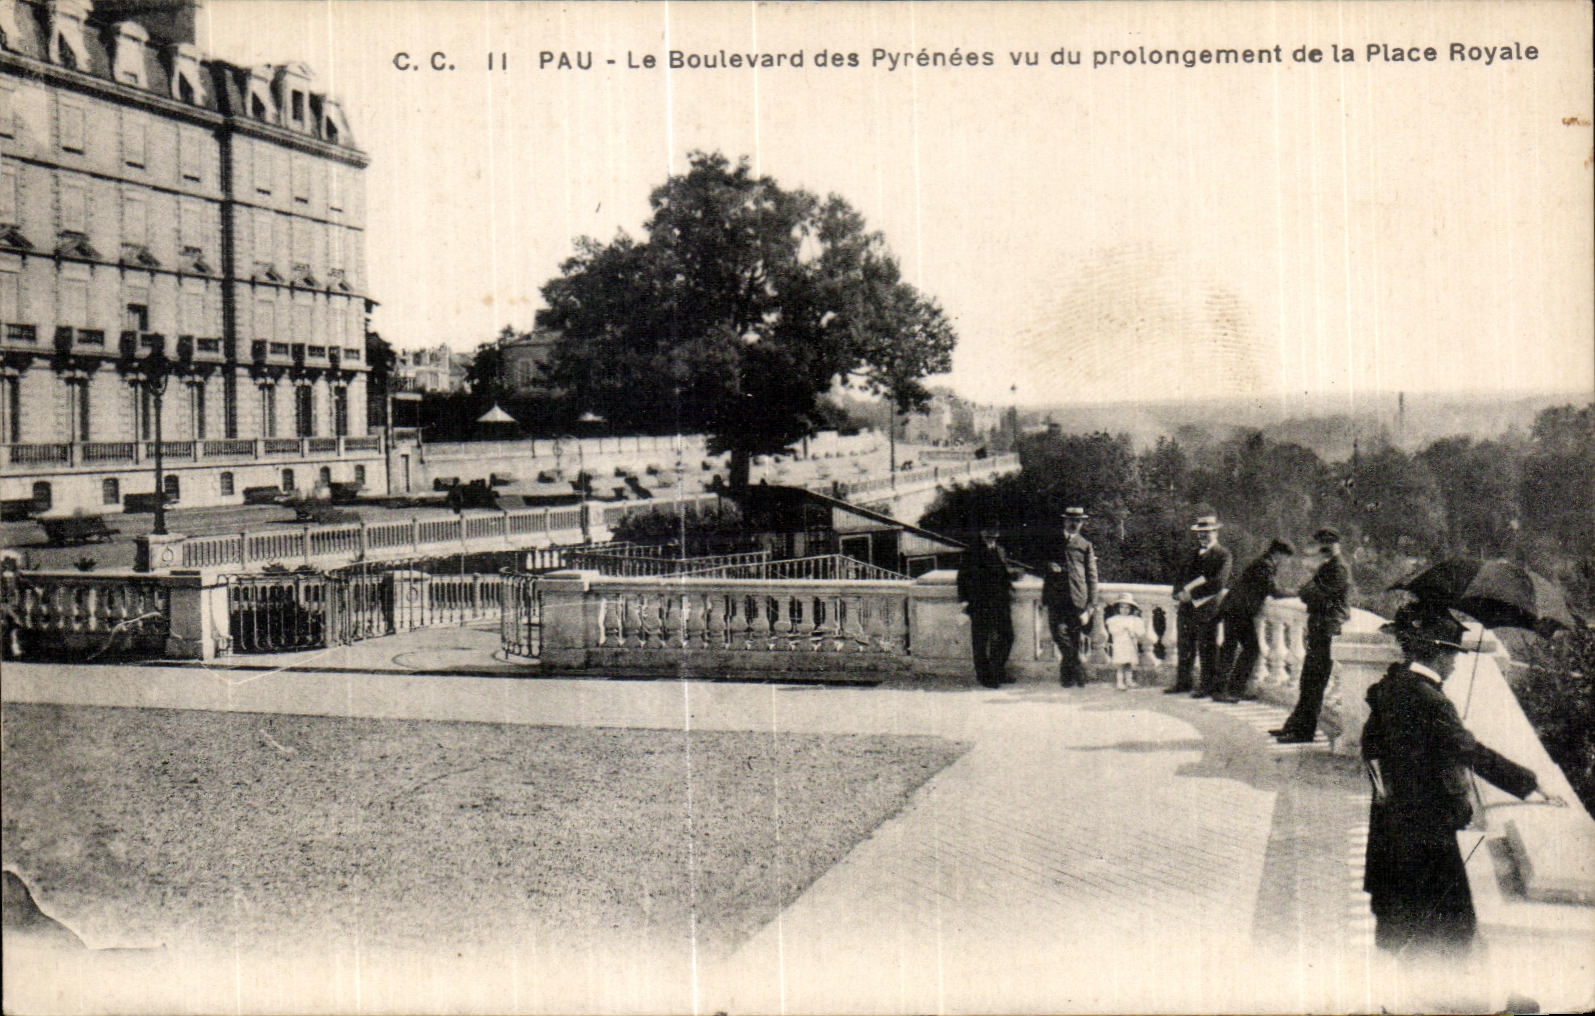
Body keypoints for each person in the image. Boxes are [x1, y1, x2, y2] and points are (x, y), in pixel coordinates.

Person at [1361, 601, 1555, 960]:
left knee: (1404, 917)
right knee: (1449, 921)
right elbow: (1472, 752)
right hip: (1430, 824)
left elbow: (1369, 744)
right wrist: (1529, 785)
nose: (1454, 663)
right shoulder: (1432, 701)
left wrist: (1382, 787)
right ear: (1436, 656)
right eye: (1452, 656)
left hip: (1395, 820)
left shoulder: (1392, 685)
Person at [1273, 528, 1351, 742]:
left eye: (1321, 545)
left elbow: (1312, 594)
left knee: (1314, 683)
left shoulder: (1338, 569)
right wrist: (1309, 590)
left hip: (1327, 629)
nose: (1318, 550)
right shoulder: (1328, 567)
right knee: (1308, 681)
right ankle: (1294, 726)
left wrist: (1309, 590)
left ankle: (1303, 731)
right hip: (1320, 628)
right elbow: (1307, 592)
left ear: (1329, 546)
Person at [1213, 538, 1295, 703]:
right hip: (1238, 610)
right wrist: (1298, 592)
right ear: (1279, 554)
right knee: (1243, 648)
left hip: (1236, 609)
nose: (1286, 562)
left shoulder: (1264, 563)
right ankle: (1225, 690)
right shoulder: (1265, 565)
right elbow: (1275, 591)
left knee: (1237, 648)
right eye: (1286, 557)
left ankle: (1230, 689)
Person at [1167, 513, 1232, 696]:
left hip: (1208, 608)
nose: (1203, 536)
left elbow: (1219, 583)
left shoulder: (1223, 555)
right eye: (1200, 533)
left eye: (1207, 532)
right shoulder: (1192, 553)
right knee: (1184, 646)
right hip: (1186, 607)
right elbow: (1180, 576)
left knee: (1207, 647)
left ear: (1216, 533)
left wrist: (1192, 595)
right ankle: (1183, 682)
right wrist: (1178, 593)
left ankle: (1206, 686)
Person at [1041, 507, 1097, 687]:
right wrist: (1048, 565)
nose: (1074, 524)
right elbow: (1037, 565)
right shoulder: (1052, 541)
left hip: (1077, 598)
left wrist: (1091, 605)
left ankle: (1067, 678)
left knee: (1074, 638)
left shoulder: (1085, 544)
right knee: (1058, 635)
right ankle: (1079, 670)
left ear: (1081, 524)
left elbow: (1092, 576)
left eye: (1078, 521)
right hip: (1055, 597)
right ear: (1064, 521)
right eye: (1071, 520)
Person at [957, 527, 1018, 688]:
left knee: (1007, 636)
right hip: (980, 604)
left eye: (995, 536)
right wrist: (964, 601)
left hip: (1001, 603)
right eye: (989, 536)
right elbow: (962, 577)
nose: (992, 539)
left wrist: (1013, 576)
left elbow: (1002, 572)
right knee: (981, 641)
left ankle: (998, 671)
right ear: (982, 534)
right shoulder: (972, 552)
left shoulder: (1000, 550)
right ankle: (984, 676)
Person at [1103, 592, 1146, 690]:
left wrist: (1133, 633)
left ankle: (1129, 680)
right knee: (1120, 664)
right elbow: (1112, 631)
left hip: (1130, 645)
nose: (1124, 610)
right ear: (1118, 608)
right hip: (1120, 644)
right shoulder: (1115, 619)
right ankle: (1119, 682)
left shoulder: (1134, 619)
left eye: (1127, 608)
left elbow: (1140, 631)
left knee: (1129, 663)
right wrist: (1122, 629)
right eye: (1122, 607)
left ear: (1131, 609)